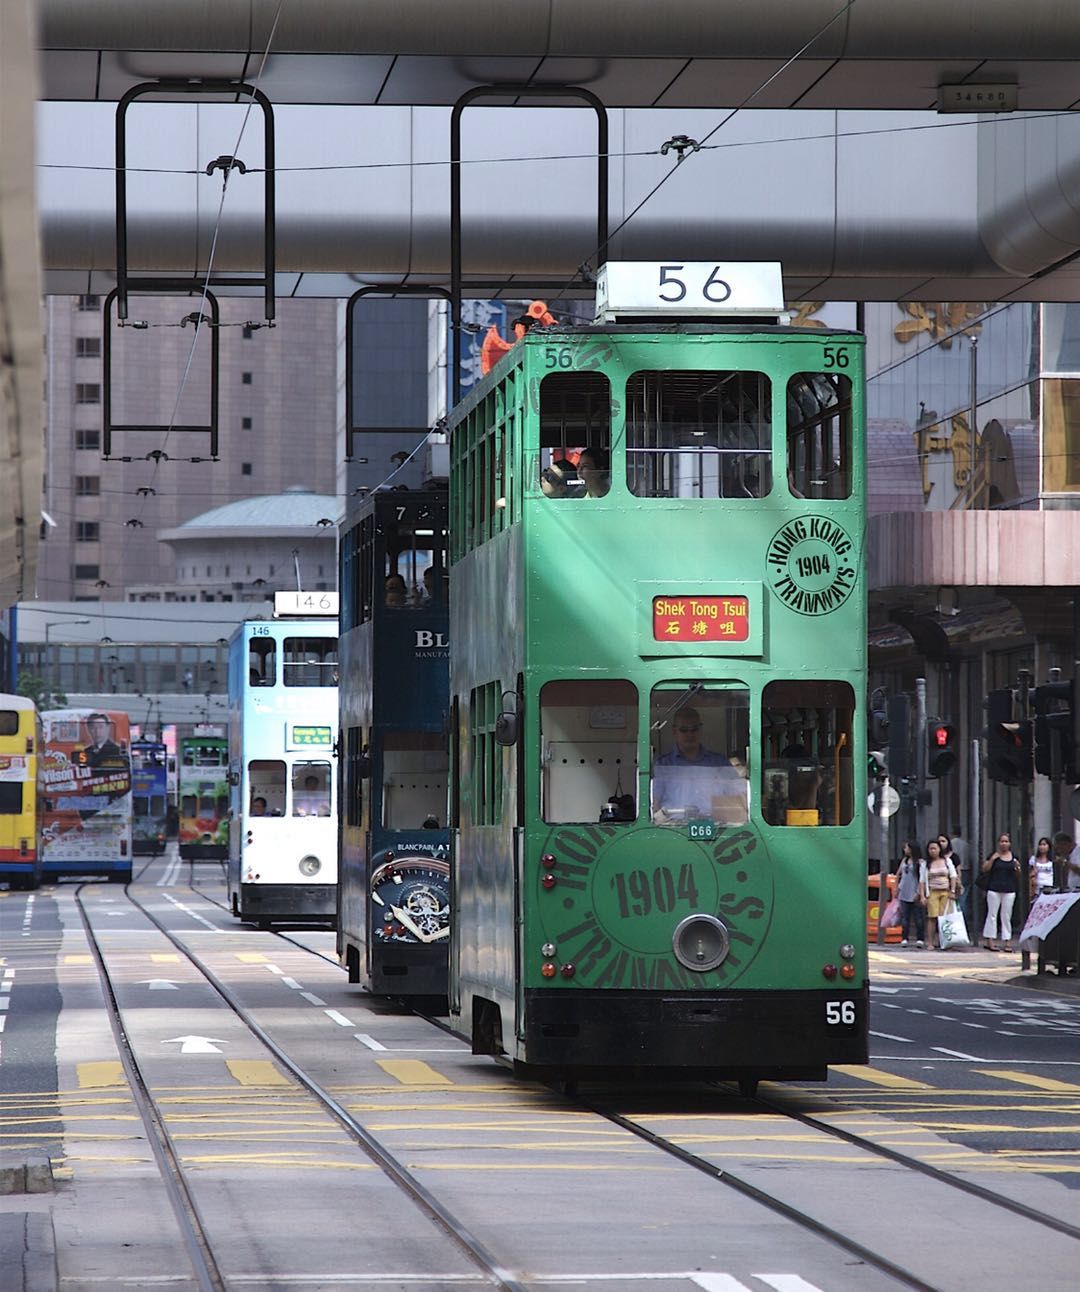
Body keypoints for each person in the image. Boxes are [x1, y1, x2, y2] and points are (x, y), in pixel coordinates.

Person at [651, 706, 744, 823]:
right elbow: (654, 804)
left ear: (701, 730)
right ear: (674, 731)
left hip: (716, 831)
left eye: (694, 729)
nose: (690, 734)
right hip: (673, 831)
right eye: (684, 730)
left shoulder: (720, 764)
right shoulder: (662, 765)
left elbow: (740, 800)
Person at [980, 832, 1021, 951]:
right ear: (998, 843)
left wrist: (1017, 867)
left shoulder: (1014, 857)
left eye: (1006, 841)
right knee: (992, 914)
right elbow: (985, 869)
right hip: (994, 888)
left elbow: (1018, 875)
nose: (1004, 844)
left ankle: (1007, 941)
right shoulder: (994, 855)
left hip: (1009, 889)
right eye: (1002, 841)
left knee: (1006, 915)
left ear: (1010, 843)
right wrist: (992, 859)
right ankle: (990, 940)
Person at [924, 836, 958, 950]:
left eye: (935, 848)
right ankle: (930, 942)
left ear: (940, 849)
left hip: (946, 892)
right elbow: (922, 881)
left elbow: (953, 876)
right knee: (932, 917)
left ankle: (945, 941)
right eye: (930, 849)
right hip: (932, 892)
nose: (933, 851)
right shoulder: (926, 864)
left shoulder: (947, 861)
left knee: (945, 918)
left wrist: (952, 891)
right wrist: (923, 895)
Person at [894, 840, 926, 949]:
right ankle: (904, 938)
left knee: (918, 918)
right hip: (903, 891)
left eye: (907, 847)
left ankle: (920, 938)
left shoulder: (920, 863)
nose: (905, 849)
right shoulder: (905, 860)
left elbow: (922, 879)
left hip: (914, 891)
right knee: (904, 917)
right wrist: (896, 888)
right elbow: (898, 874)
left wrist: (919, 892)